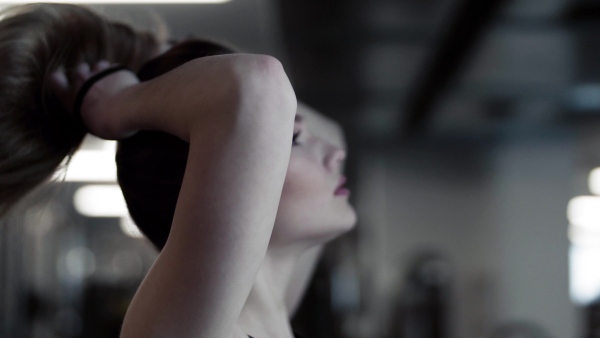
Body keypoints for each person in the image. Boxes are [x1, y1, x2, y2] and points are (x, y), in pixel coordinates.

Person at [0, 3, 357, 338]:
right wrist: (116, 106)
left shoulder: (270, 307)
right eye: (294, 139)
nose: (335, 153)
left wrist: (147, 65)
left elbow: (311, 122)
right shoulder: (190, 325)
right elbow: (256, 86)